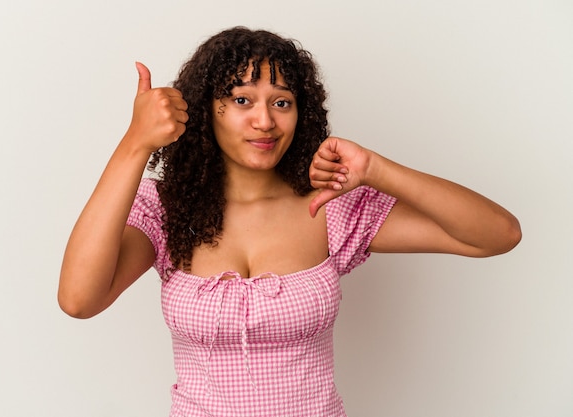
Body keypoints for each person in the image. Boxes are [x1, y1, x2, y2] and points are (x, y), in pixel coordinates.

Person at [58, 26, 521, 416]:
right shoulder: (168, 208)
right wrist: (135, 144)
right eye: (242, 100)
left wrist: (378, 170)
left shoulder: (329, 207)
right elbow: (79, 299)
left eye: (281, 102)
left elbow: (498, 235)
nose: (265, 121)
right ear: (205, 111)